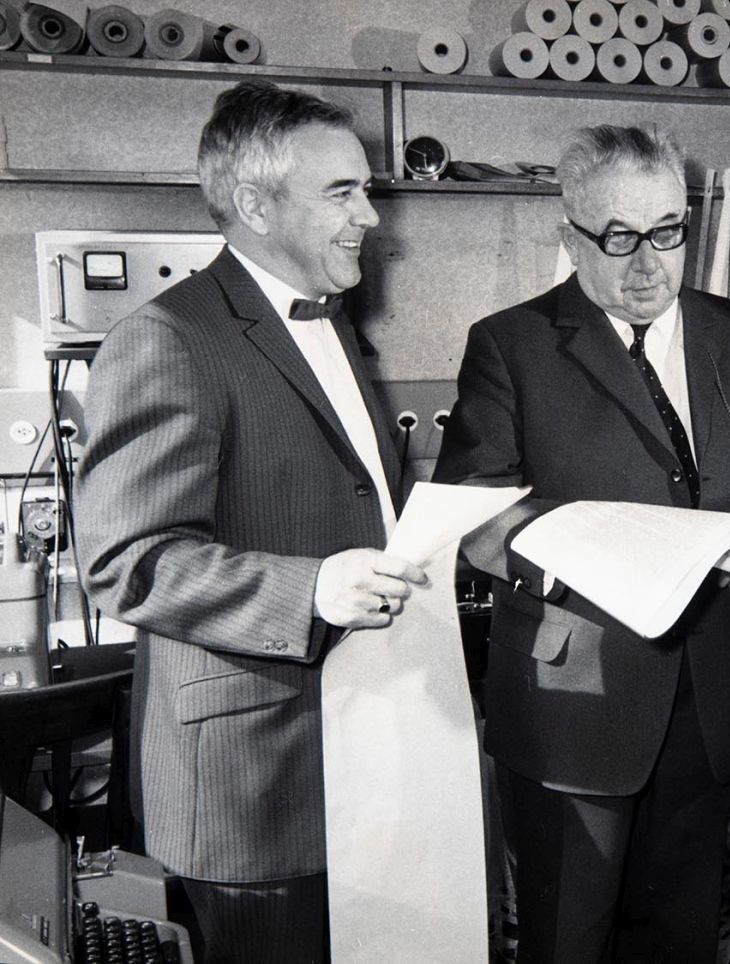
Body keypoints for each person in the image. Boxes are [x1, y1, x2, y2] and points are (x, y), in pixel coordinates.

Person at [433, 124, 730, 963]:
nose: (649, 263)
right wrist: (608, 558)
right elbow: (474, 516)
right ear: (569, 235)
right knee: (569, 940)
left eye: (669, 233)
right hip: (578, 708)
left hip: (712, 697)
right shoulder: (512, 344)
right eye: (618, 238)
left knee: (680, 938)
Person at [76, 80, 426, 964]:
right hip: (252, 789)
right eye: (342, 193)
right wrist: (313, 588)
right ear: (254, 205)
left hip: (357, 752)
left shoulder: (337, 328)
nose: (372, 218)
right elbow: (127, 560)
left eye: (368, 189)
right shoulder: (168, 338)